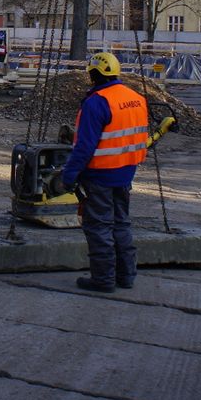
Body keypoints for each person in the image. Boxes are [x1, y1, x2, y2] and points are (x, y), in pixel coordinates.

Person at [56, 51, 149, 293]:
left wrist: (69, 176)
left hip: (100, 176)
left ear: (93, 74)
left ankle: (103, 279)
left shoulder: (97, 102)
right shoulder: (136, 98)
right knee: (121, 224)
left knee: (99, 227)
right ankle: (126, 276)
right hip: (126, 172)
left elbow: (84, 147)